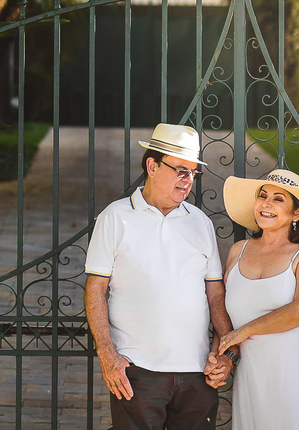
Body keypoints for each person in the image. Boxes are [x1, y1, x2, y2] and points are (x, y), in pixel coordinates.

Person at [84, 123, 235, 430]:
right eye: (180, 169)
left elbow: (215, 293)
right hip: (138, 370)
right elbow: (95, 289)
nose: (188, 180)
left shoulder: (200, 222)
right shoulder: (115, 217)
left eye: (193, 172)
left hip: (197, 371)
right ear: (152, 166)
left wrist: (225, 351)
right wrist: (108, 354)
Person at [214, 169, 299, 430]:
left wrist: (243, 332)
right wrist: (220, 356)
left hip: (295, 374)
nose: (266, 204)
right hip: (252, 376)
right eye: (263, 196)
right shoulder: (238, 251)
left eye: (278, 199)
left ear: (296, 212)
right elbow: (224, 315)